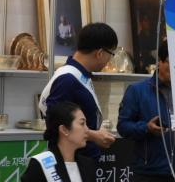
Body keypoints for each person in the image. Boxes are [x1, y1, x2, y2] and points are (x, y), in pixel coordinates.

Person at [117, 40, 175, 182]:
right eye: (171, 62)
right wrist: (146, 128)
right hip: (149, 172)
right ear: (159, 61)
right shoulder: (137, 91)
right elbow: (123, 126)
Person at [38, 22, 117, 160]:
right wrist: (93, 135)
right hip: (73, 160)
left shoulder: (81, 75)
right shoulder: (68, 79)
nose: (109, 60)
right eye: (111, 54)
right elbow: (56, 123)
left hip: (83, 159)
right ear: (100, 53)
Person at [16, 101, 100, 182]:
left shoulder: (88, 165)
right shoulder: (40, 165)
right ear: (64, 130)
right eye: (82, 124)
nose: (87, 130)